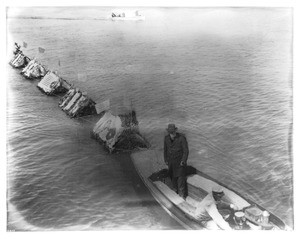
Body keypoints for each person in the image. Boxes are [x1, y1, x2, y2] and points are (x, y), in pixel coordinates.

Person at [164, 124, 189, 199]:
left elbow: (186, 151)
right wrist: (166, 160)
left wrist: (183, 161)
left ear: (175, 130)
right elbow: (165, 150)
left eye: (173, 131)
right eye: (170, 132)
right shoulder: (166, 138)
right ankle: (175, 194)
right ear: (168, 132)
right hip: (171, 163)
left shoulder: (182, 138)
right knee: (173, 179)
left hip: (180, 163)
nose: (171, 133)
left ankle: (182, 197)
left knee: (181, 180)